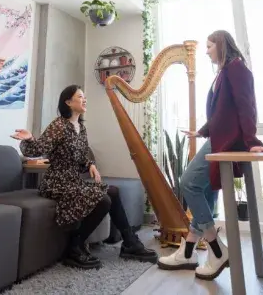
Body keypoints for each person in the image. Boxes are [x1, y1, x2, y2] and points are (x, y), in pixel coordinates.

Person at [157, 30, 263, 280]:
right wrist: (201, 131)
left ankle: (216, 249)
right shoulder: (225, 72)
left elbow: (246, 106)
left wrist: (252, 141)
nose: (207, 50)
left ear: (221, 45)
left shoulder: (236, 69)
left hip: (227, 143)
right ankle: (187, 252)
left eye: (210, 46)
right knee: (206, 192)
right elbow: (222, 113)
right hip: (218, 139)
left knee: (188, 182)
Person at [11, 85, 158, 270]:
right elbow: (37, 150)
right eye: (80, 96)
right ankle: (75, 246)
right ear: (68, 102)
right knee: (103, 199)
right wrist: (29, 138)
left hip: (72, 180)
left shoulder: (81, 127)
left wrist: (90, 164)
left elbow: (81, 157)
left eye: (84, 96)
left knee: (112, 191)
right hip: (57, 182)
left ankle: (129, 242)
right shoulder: (59, 125)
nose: (84, 99)